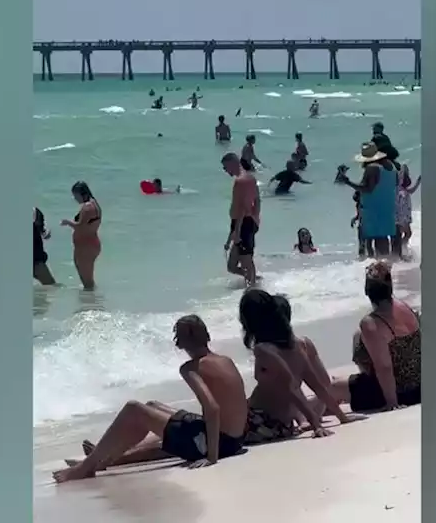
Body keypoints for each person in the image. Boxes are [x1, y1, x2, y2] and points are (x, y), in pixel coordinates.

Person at [53, 315, 249, 482]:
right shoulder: (225, 360)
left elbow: (212, 408)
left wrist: (211, 457)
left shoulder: (191, 367)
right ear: (206, 335)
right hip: (234, 441)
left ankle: (87, 467)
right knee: (152, 406)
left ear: (179, 342)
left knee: (133, 409)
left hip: (216, 445)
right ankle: (104, 458)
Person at [238, 290, 359, 444]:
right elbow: (317, 386)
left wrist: (315, 424)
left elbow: (289, 387)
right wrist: (342, 417)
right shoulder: (296, 346)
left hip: (261, 422)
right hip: (284, 425)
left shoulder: (263, 349)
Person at [332, 261, 421, 413]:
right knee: (358, 339)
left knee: (333, 387)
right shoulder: (404, 306)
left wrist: (392, 403)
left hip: (401, 392)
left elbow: (384, 367)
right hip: (419, 385)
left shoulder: (372, 323)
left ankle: (300, 415)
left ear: (367, 292)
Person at [336, 143, 398, 257]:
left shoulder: (372, 168)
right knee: (383, 240)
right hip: (388, 207)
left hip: (374, 208)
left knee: (374, 242)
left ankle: (378, 268)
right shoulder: (391, 166)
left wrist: (347, 181)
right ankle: (387, 267)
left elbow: (367, 188)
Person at [221, 153, 260, 287]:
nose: (225, 171)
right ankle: (254, 279)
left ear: (233, 163)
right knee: (231, 266)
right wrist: (256, 219)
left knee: (246, 261)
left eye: (226, 167)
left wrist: (237, 231)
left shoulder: (240, 181)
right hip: (244, 223)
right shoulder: (250, 178)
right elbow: (257, 200)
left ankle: (252, 287)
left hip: (243, 224)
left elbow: (243, 208)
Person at [60, 181, 102, 289]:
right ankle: (92, 302)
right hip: (90, 244)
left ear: (83, 194)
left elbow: (80, 227)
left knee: (87, 283)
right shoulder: (94, 203)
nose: (75, 198)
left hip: (86, 246)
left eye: (76, 196)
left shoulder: (88, 207)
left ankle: (92, 304)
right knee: (87, 281)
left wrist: (67, 222)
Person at [395, 164, 421, 255]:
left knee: (406, 234)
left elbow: (412, 190)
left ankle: (402, 250)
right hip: (402, 217)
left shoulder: (401, 189)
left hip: (403, 216)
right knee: (407, 233)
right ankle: (402, 250)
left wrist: (418, 182)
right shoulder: (400, 190)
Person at [33, 207, 57, 285]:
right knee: (51, 286)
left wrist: (44, 234)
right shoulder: (36, 212)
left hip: (36, 258)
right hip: (36, 260)